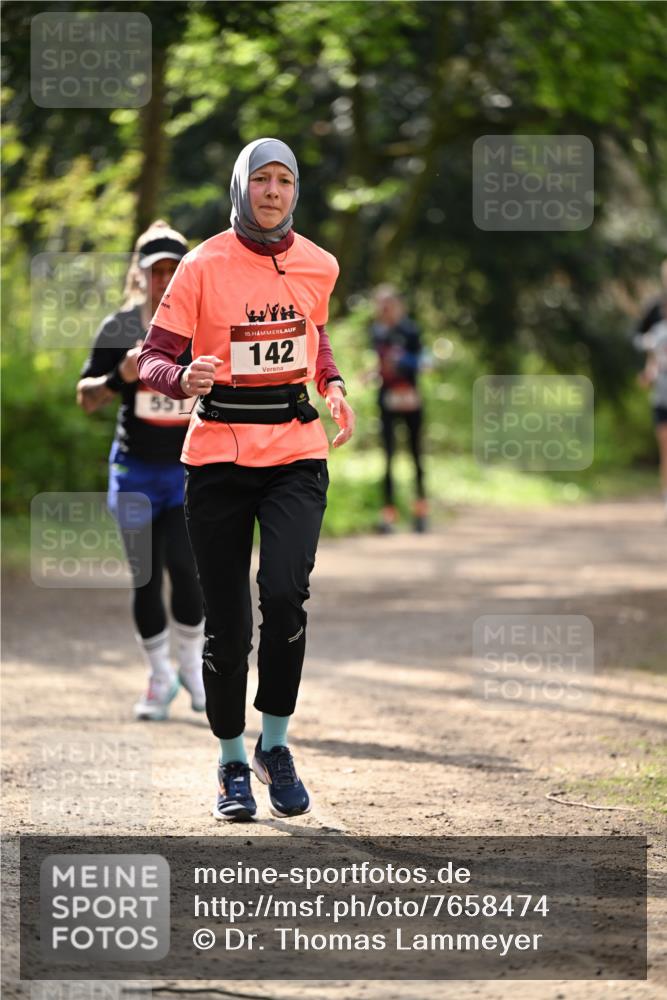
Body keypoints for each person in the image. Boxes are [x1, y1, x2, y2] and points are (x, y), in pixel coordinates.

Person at [137, 138, 355, 821]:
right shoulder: (201, 265)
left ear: (296, 191)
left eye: (284, 180)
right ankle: (231, 760)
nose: (272, 191)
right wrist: (182, 377)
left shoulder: (319, 263)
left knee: (285, 596)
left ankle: (275, 746)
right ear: (241, 187)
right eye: (261, 179)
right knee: (228, 624)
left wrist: (332, 382)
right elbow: (152, 358)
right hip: (219, 460)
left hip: (295, 452)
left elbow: (313, 331)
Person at [76, 221, 206, 721]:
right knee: (145, 576)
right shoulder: (120, 327)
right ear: (139, 274)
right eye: (156, 271)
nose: (164, 280)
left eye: (174, 270)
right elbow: (86, 398)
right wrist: (120, 375)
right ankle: (159, 676)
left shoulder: (203, 324)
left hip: (187, 471)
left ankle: (191, 667)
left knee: (186, 568)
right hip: (134, 472)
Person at [370, 284, 427, 533]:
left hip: (411, 398)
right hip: (387, 398)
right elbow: (378, 362)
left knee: (416, 454)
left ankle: (421, 512)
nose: (384, 311)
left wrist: (402, 360)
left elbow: (424, 361)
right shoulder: (376, 332)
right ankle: (388, 514)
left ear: (397, 306)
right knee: (388, 457)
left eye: (388, 306)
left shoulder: (411, 330)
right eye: (380, 306)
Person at [635, 260, 667, 515]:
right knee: (666, 447)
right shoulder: (655, 313)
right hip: (662, 394)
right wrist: (647, 374)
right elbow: (640, 342)